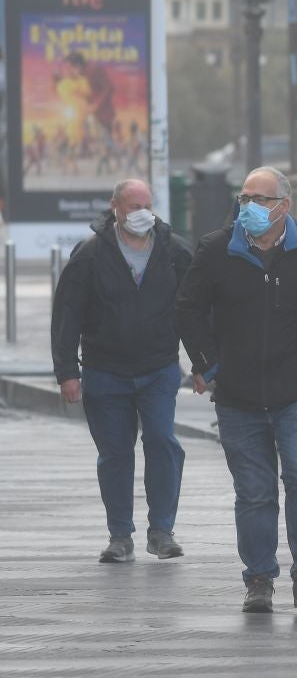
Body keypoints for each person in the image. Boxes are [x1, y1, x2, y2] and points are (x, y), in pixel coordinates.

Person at [176, 167, 297, 614]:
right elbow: (188, 309)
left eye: (260, 199)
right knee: (255, 491)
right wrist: (207, 363)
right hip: (238, 396)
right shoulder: (216, 248)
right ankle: (259, 580)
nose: (249, 207)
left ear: (284, 205)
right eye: (244, 198)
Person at [51, 178, 193, 564]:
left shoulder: (175, 252)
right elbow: (68, 314)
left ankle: (162, 531)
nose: (141, 213)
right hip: (105, 371)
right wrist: (67, 371)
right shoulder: (91, 254)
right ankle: (120, 535)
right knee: (115, 453)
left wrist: (204, 364)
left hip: (159, 368)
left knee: (163, 441)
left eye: (147, 204)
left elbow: (195, 311)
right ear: (115, 208)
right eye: (133, 206)